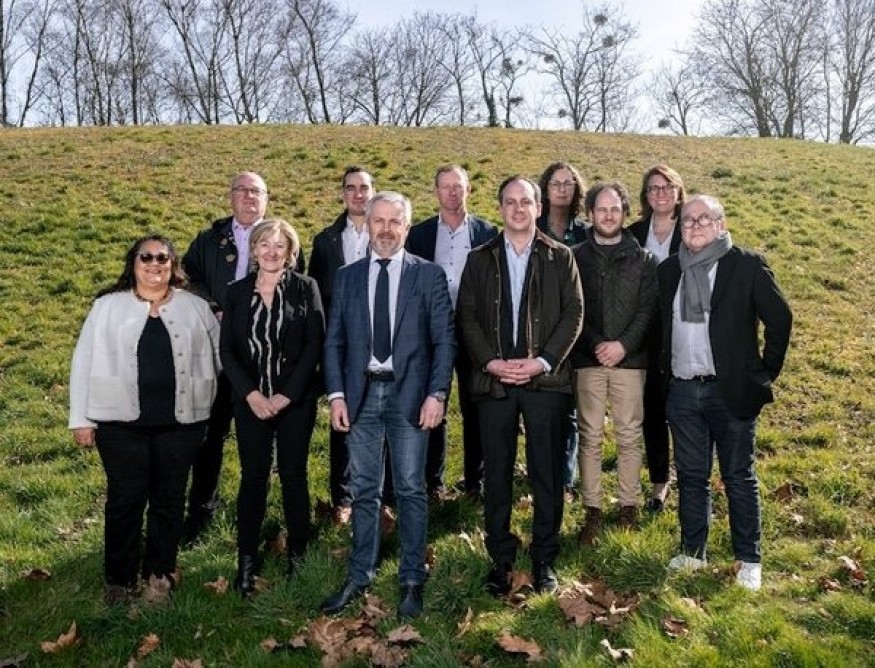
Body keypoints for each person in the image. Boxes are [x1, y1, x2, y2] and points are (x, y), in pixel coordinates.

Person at [320, 192, 455, 619]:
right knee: (364, 489)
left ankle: (412, 577)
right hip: (360, 395)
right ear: (368, 225)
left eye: (394, 221)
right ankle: (359, 574)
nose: (385, 229)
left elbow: (444, 342)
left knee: (412, 487)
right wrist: (336, 395)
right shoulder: (347, 277)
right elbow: (334, 342)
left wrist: (437, 394)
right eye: (378, 220)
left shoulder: (428, 275)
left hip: (409, 395)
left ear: (407, 227)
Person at [69, 235, 221, 605]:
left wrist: (203, 389)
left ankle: (159, 572)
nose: (155, 264)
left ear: (173, 264)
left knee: (169, 498)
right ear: (133, 263)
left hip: (181, 424)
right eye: (146, 257)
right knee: (126, 499)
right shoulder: (107, 306)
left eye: (163, 257)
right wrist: (80, 418)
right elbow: (83, 360)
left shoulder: (195, 307)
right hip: (119, 424)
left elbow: (218, 356)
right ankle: (119, 579)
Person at [457, 176, 583, 596]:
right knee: (497, 474)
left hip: (545, 380)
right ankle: (501, 559)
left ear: (538, 208)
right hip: (494, 381)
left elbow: (574, 313)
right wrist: (490, 362)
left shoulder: (560, 256)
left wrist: (542, 362)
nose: (517, 209)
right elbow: (467, 316)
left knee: (547, 472)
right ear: (500, 208)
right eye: (509, 202)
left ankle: (544, 557)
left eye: (525, 201)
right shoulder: (479, 259)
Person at [660, 195, 792, 591]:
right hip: (683, 390)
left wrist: (762, 374)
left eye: (705, 218)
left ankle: (749, 559)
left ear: (721, 224)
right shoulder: (669, 271)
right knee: (691, 476)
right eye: (688, 220)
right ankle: (692, 552)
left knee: (738, 476)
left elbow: (780, 319)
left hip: (730, 392)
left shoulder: (746, 265)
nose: (695, 226)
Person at [181, 171, 304, 545]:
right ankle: (201, 510)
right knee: (209, 435)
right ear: (231, 196)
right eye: (243, 190)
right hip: (219, 352)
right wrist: (214, 307)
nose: (250, 197)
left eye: (257, 191)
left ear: (267, 198)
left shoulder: (281, 238)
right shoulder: (209, 240)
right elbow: (187, 277)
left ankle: (264, 516)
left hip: (268, 361)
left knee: (267, 444)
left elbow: (296, 294)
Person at [220, 219, 324, 595]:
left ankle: (298, 556)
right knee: (253, 478)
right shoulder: (236, 292)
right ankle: (246, 561)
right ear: (254, 249)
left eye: (280, 246)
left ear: (291, 253)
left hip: (294, 401)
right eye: (264, 244)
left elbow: (314, 344)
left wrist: (286, 395)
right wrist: (251, 394)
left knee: (294, 476)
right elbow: (227, 350)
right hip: (251, 402)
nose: (271, 252)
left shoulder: (306, 288)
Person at [572, 182, 658, 546]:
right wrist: (596, 345)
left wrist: (623, 346)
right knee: (589, 435)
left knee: (628, 435)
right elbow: (572, 309)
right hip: (587, 359)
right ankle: (591, 510)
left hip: (630, 360)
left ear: (625, 213)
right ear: (590, 213)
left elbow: (647, 310)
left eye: (615, 209)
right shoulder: (574, 256)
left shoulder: (644, 259)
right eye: (601, 209)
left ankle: (628, 507)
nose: (608, 216)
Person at [308, 166, 394, 527]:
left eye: (364, 187)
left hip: (386, 340)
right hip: (343, 342)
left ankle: (385, 497)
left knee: (388, 416)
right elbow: (315, 295)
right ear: (343, 193)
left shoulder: (388, 233)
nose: (358, 194)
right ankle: (343, 497)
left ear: (373, 191)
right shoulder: (326, 241)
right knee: (343, 417)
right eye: (351, 188)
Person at [405, 165, 498, 499]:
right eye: (445, 187)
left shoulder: (487, 232)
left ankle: (476, 482)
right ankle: (433, 483)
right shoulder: (420, 234)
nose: (452, 192)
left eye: (458, 186)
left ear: (468, 190)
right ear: (436, 192)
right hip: (433, 329)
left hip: (475, 329)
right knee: (434, 402)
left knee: (475, 405)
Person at [628, 164, 686, 513]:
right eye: (653, 188)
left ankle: (692, 474)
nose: (660, 193)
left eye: (667, 187)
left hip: (685, 333)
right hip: (646, 336)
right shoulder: (634, 234)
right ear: (646, 195)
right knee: (652, 411)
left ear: (678, 192)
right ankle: (660, 482)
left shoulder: (692, 228)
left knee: (686, 408)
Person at [536, 161, 589, 498]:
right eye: (556, 183)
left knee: (570, 408)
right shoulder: (531, 226)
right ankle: (539, 470)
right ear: (545, 188)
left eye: (568, 183)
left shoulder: (585, 232)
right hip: (537, 330)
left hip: (576, 329)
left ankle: (565, 479)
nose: (562, 189)